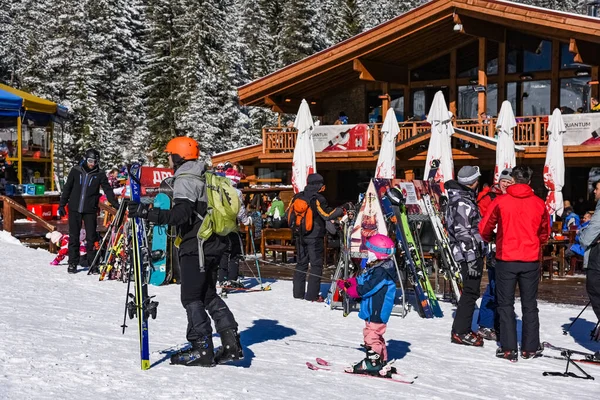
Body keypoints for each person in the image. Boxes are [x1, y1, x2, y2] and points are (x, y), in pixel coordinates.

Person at [128, 136, 243, 367]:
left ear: (178, 155)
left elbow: (181, 215)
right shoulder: (206, 174)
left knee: (191, 297)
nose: (169, 159)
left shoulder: (185, 179)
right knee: (208, 295)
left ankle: (202, 348)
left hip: (196, 247)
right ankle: (231, 344)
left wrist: (146, 213)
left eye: (170, 155)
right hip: (214, 244)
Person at [479, 166, 550, 362]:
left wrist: (492, 237)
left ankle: (509, 348)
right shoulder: (538, 203)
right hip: (530, 258)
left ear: (513, 179)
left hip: (506, 258)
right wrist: (537, 241)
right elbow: (545, 230)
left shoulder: (501, 201)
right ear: (528, 181)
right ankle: (530, 347)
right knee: (529, 304)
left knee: (505, 304)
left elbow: (484, 226)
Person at [336, 234, 397, 376]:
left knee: (371, 335)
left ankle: (373, 363)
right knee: (376, 334)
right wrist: (350, 282)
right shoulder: (377, 267)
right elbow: (364, 279)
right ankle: (381, 360)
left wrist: (352, 290)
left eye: (369, 252)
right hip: (373, 308)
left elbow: (368, 288)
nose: (367, 254)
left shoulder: (382, 272)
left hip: (378, 309)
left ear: (377, 254)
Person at [288, 173, 350, 301]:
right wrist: (343, 208)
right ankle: (312, 295)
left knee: (301, 263)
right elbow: (327, 215)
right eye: (322, 184)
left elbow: (287, 214)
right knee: (316, 265)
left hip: (299, 235)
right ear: (318, 185)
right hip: (314, 236)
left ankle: (297, 293)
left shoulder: (297, 196)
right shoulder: (318, 199)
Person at [59, 149, 118, 274]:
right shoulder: (76, 171)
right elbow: (67, 188)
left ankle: (93, 264)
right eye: (90, 161)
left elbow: (107, 190)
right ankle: (72, 263)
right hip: (75, 208)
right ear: (85, 159)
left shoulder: (99, 174)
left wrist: (115, 204)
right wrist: (62, 204)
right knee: (74, 236)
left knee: (91, 238)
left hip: (90, 210)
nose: (92, 164)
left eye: (95, 162)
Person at [445, 166, 485, 347]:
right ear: (473, 182)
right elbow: (463, 233)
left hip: (469, 252)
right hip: (468, 254)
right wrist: (471, 260)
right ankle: (460, 331)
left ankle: (463, 329)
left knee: (471, 292)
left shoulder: (462, 198)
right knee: (470, 292)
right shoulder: (462, 201)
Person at [475, 168, 514, 341]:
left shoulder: (512, 199)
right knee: (493, 286)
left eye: (510, 182)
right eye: (504, 181)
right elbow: (483, 222)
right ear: (499, 181)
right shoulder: (490, 197)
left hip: (508, 248)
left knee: (502, 288)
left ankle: (496, 322)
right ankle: (485, 324)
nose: (506, 184)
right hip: (493, 247)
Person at [218, 174, 252, 290]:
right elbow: (240, 211)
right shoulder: (236, 192)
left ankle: (222, 278)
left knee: (223, 253)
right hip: (232, 227)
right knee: (234, 253)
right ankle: (232, 278)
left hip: (220, 227)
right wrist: (247, 221)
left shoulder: (219, 190)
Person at [579, 180, 600, 333]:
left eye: (597, 189)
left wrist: (581, 234)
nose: (594, 191)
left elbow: (588, 237)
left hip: (597, 257)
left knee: (595, 291)